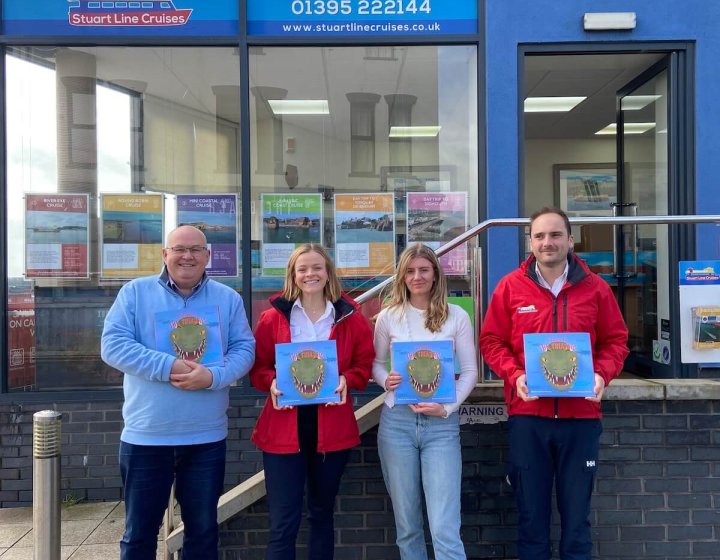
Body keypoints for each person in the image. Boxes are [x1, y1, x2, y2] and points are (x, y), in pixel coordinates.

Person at [479, 207, 629, 560]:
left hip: (581, 421)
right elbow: (491, 341)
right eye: (540, 236)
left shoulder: (596, 289)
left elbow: (617, 341)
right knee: (531, 521)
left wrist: (600, 374)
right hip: (528, 419)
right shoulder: (510, 287)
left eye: (556, 235)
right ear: (529, 242)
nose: (548, 242)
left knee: (577, 523)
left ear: (570, 240)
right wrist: (514, 375)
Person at [101, 225, 255, 560]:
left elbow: (245, 349)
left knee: (202, 532)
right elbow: (113, 347)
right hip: (146, 437)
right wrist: (169, 367)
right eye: (180, 248)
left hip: (205, 439)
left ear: (208, 256)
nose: (188, 256)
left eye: (196, 249)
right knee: (139, 535)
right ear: (165, 254)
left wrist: (213, 376)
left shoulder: (228, 299)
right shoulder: (135, 293)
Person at [249, 243, 374, 560]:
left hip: (331, 429)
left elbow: (363, 365)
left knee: (321, 515)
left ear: (328, 272)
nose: (310, 274)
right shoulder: (271, 318)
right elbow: (258, 369)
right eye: (302, 268)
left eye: (317, 267)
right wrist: (272, 382)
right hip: (283, 428)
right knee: (283, 522)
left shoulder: (351, 317)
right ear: (293, 274)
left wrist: (349, 378)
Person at [372, 243, 477, 560]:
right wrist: (384, 380)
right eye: (410, 271)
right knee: (407, 528)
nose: (417, 276)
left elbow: (470, 371)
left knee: (445, 527)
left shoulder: (456, 315)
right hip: (397, 424)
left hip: (441, 426)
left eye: (424, 270)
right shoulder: (388, 316)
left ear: (435, 274)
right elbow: (376, 364)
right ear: (402, 276)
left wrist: (447, 408)